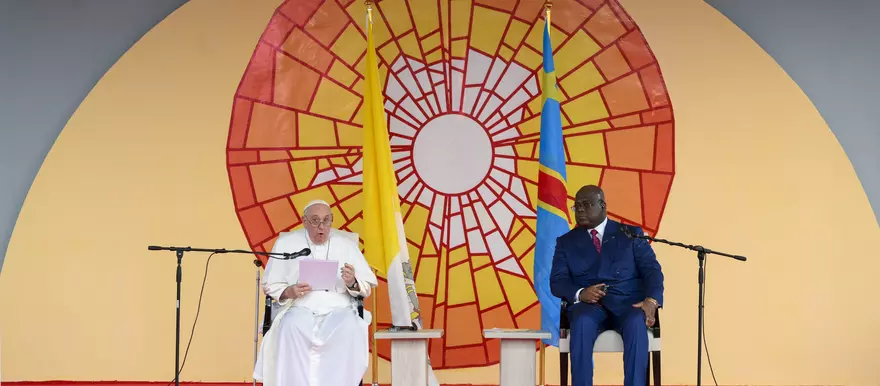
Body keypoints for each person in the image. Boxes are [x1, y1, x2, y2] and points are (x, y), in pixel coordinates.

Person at [254, 199, 378, 386]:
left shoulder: (347, 245)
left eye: (327, 221)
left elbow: (367, 286)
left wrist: (352, 281)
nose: (322, 226)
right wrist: (290, 291)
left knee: (351, 328)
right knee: (290, 327)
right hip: (299, 306)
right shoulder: (286, 243)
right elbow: (270, 284)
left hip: (339, 307)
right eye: (315, 221)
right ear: (304, 221)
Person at [550, 185, 664, 386]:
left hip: (627, 304)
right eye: (577, 206)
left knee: (638, 321)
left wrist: (652, 300)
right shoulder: (565, 242)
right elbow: (557, 282)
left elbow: (652, 271)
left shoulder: (630, 234)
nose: (581, 210)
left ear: (603, 205)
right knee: (582, 322)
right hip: (589, 307)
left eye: (586, 204)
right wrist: (580, 293)